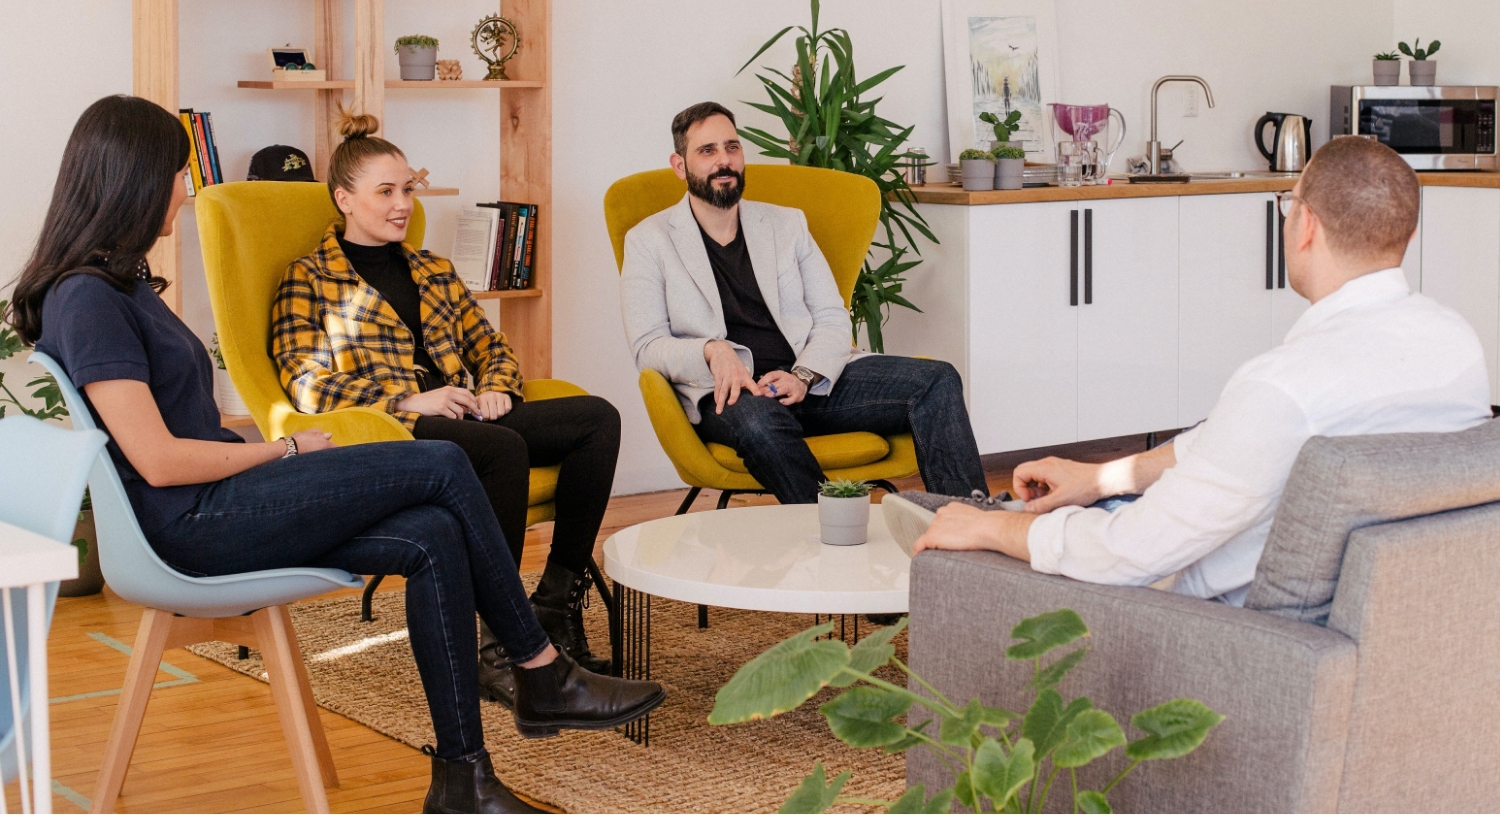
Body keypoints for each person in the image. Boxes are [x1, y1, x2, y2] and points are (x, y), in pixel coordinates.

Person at [10, 94, 663, 815]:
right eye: (174, 172)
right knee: (446, 464)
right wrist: (280, 449)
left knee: (436, 533)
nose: (182, 189)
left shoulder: (121, 287)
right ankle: (539, 667)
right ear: (130, 178)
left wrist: (273, 455)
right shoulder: (88, 298)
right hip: (189, 524)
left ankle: (463, 781)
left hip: (218, 504)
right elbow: (158, 462)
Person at [888, 137, 1493, 605]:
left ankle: (977, 516)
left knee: (1006, 527)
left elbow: (1129, 556)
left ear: (1305, 225)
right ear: (1408, 231)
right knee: (1062, 507)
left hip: (1204, 615)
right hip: (1363, 608)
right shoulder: (1456, 347)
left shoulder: (1284, 386)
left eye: (1288, 208)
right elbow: (1234, 442)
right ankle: (982, 507)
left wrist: (993, 539)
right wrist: (1103, 477)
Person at [272, 112, 621, 700]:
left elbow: (492, 345)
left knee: (596, 418)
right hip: (394, 428)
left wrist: (498, 388)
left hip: (466, 413)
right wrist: (409, 398)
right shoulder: (308, 279)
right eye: (385, 191)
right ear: (344, 199)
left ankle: (555, 603)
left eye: (407, 188)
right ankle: (498, 641)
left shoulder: (434, 269)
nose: (402, 203)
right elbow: (305, 384)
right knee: (501, 449)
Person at [619, 101, 988, 505]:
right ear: (679, 164)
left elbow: (830, 315)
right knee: (762, 425)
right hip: (729, 394)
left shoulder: (786, 224)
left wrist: (804, 375)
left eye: (732, 147)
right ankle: (836, 535)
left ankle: (969, 529)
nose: (724, 161)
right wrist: (712, 351)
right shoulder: (649, 240)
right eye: (707, 151)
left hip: (808, 383)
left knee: (937, 379)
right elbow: (647, 346)